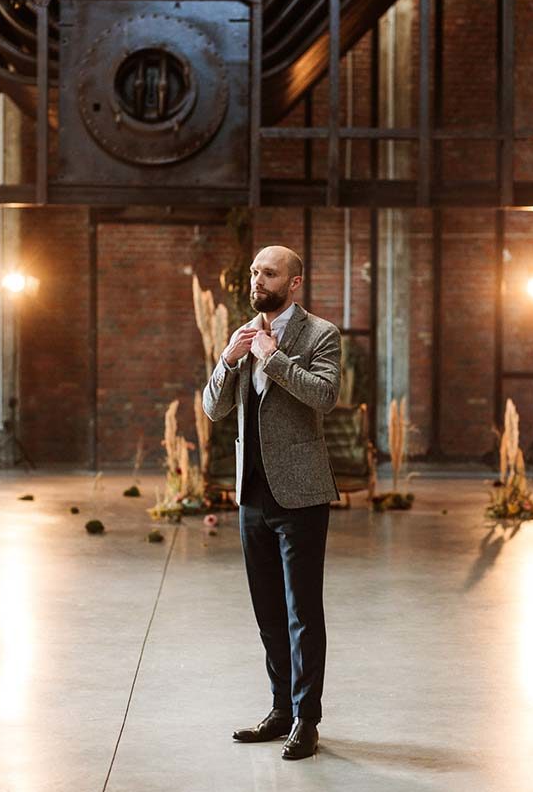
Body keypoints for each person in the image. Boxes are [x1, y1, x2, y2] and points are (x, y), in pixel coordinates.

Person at [202, 245, 341, 760]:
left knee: (302, 611)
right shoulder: (242, 333)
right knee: (268, 612)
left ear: (294, 282)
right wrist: (228, 359)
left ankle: (307, 719)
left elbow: (325, 396)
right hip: (252, 495)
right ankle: (281, 709)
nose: (257, 280)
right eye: (254, 271)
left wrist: (273, 358)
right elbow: (213, 408)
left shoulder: (320, 334)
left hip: (301, 493)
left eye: (269, 273)